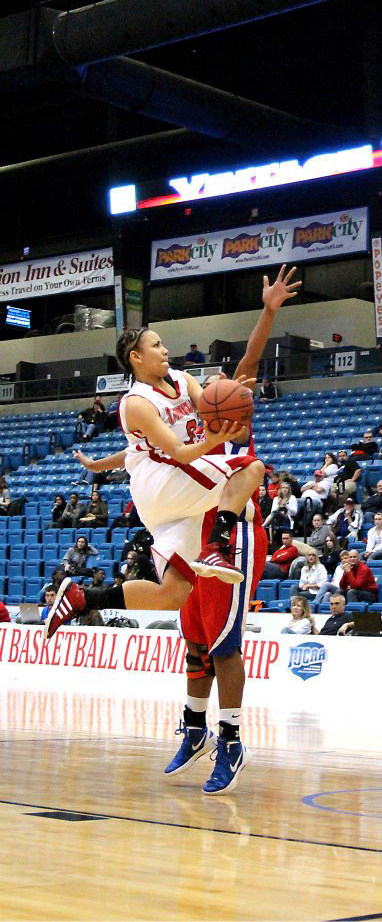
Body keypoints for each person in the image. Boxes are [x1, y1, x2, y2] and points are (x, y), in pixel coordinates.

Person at [44, 277, 282, 644]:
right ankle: (217, 547)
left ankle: (81, 598)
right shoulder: (136, 402)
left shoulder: (183, 380)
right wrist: (216, 437)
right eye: (156, 345)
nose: (165, 349)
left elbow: (140, 450)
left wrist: (222, 400)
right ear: (136, 357)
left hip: (175, 489)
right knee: (251, 468)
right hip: (164, 482)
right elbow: (179, 452)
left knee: (174, 593)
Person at [163, 264, 299, 794]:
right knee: (194, 640)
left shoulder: (238, 417)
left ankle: (233, 740)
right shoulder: (189, 427)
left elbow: (249, 360)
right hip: (197, 538)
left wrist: (267, 311)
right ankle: (194, 728)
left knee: (223, 644)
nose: (215, 392)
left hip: (236, 538)